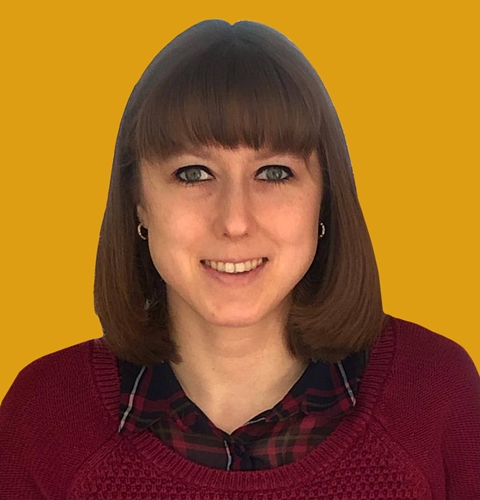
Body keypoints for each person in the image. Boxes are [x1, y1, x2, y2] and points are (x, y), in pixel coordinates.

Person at [0, 19, 478, 500]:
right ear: (138, 201)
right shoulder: (42, 416)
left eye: (274, 172)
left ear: (324, 199)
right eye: (193, 173)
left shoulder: (439, 395)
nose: (234, 221)